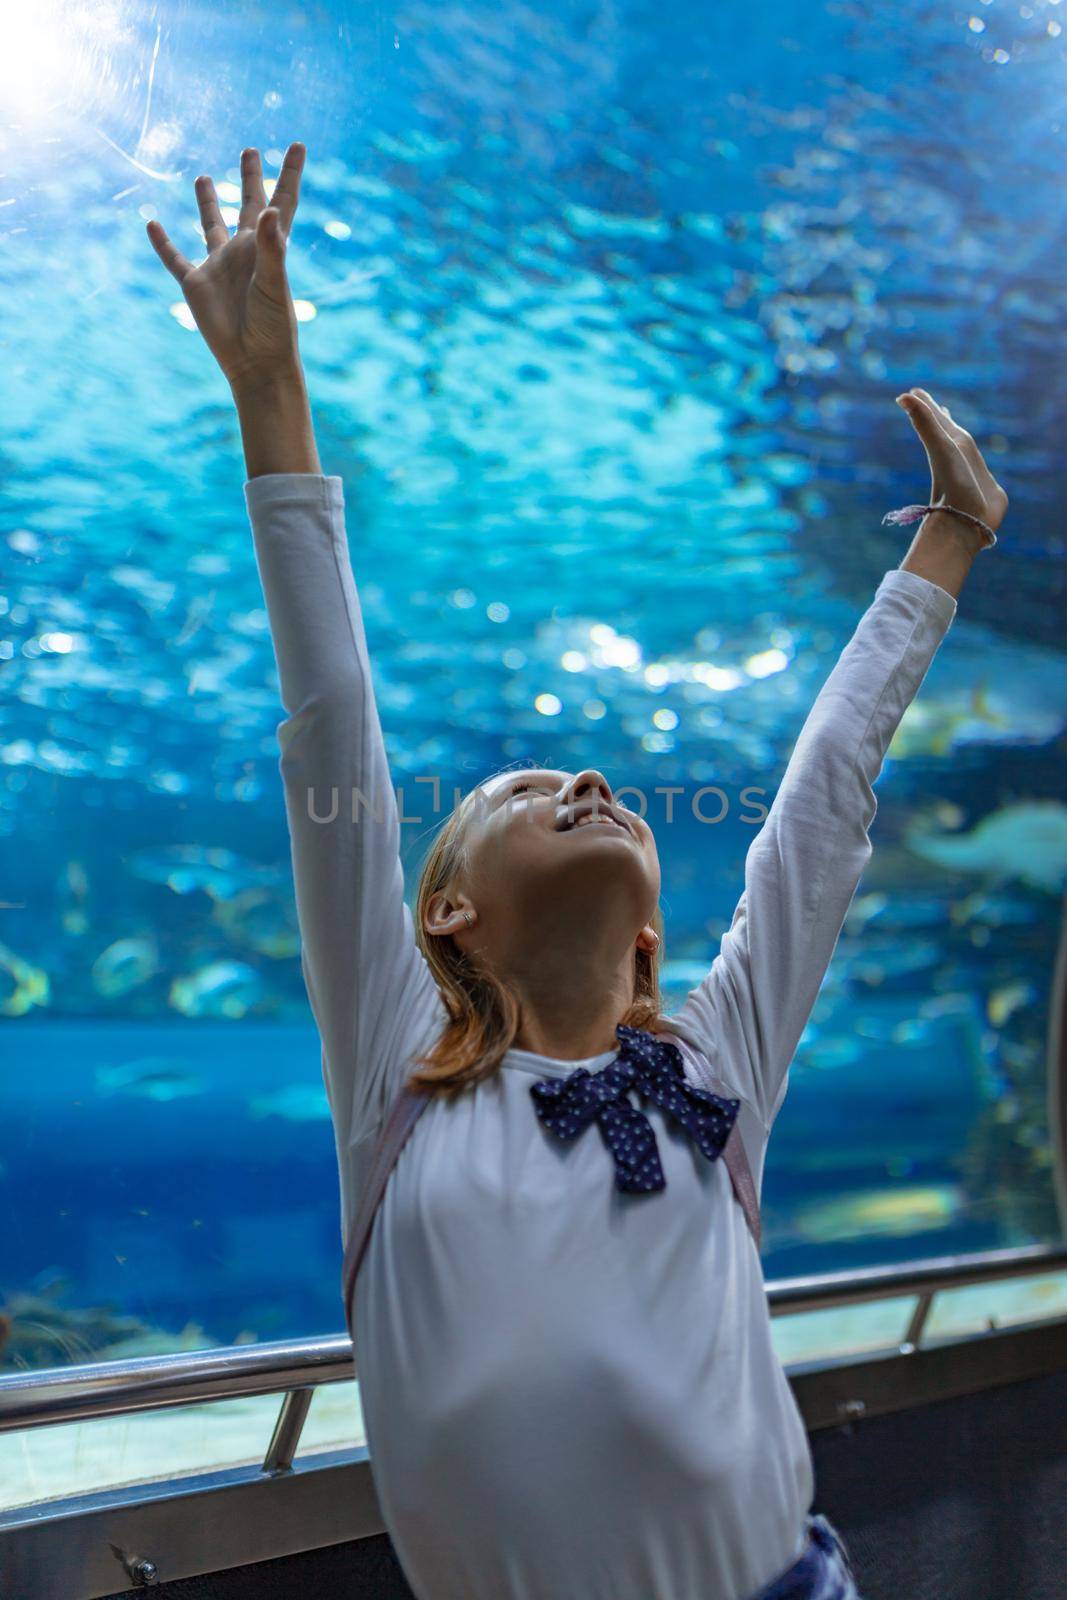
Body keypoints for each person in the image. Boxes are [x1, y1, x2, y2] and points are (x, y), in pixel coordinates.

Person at [148, 142, 1008, 1600]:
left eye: (599, 790)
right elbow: (334, 726)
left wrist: (948, 543)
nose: (594, 783)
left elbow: (819, 808)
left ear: (657, 924)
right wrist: (269, 395)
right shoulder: (395, 1085)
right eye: (536, 791)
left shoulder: (714, 1055)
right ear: (447, 912)